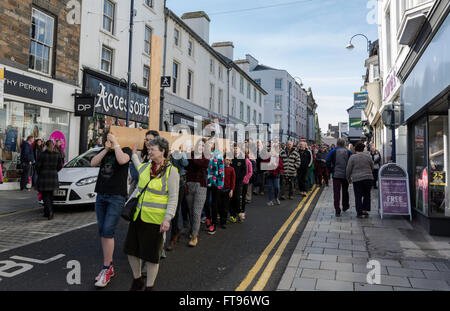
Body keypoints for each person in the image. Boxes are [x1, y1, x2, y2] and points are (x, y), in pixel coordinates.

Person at [124, 137, 180, 291]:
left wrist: (167, 219)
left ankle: (149, 286)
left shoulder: (171, 172)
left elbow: (173, 197)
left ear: (162, 152)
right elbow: (138, 168)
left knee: (151, 257)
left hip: (156, 220)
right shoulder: (146, 167)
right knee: (131, 251)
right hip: (138, 216)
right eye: (148, 149)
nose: (149, 151)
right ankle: (137, 280)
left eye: (152, 149)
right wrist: (134, 154)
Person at [90, 131, 132, 288]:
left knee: (108, 230)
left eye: (113, 136)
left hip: (116, 196)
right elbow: (93, 162)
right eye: (108, 136)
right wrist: (106, 149)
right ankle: (109, 266)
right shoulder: (106, 150)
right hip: (101, 195)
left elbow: (122, 161)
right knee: (102, 230)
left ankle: (106, 268)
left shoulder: (125, 150)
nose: (110, 139)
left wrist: (116, 144)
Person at [185, 139, 209, 247]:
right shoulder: (191, 155)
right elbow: (186, 165)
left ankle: (195, 236)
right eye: (199, 145)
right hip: (190, 184)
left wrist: (188, 154)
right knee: (190, 210)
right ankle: (192, 229)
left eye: (203, 145)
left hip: (201, 186)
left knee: (196, 212)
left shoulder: (206, 157)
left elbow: (198, 163)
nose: (201, 147)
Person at [166, 146, 189, 250]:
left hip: (179, 183)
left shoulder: (181, 153)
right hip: (166, 181)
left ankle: (173, 236)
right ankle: (176, 230)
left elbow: (185, 164)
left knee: (174, 209)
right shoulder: (168, 151)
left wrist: (179, 153)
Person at [35, 140, 63, 220]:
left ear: (46, 146)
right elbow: (60, 166)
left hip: (44, 177)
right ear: (53, 146)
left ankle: (50, 212)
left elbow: (37, 166)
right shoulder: (57, 154)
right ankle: (47, 212)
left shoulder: (42, 155)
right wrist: (54, 171)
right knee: (51, 195)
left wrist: (41, 172)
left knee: (45, 196)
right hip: (53, 176)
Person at [346, 142, 374, 218]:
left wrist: (348, 178)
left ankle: (359, 212)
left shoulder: (352, 157)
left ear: (355, 149)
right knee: (367, 195)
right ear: (363, 148)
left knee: (358, 196)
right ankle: (365, 210)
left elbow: (348, 169)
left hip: (357, 179)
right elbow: (372, 166)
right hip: (368, 178)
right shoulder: (368, 156)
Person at [326, 138, 352, 217]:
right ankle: (345, 206)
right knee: (345, 191)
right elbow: (352, 162)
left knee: (336, 193)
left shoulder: (333, 151)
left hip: (336, 175)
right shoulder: (349, 152)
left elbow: (327, 161)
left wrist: (331, 170)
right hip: (346, 175)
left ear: (337, 143)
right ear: (344, 144)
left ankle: (337, 210)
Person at [205, 142, 225, 234]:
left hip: (216, 183)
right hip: (206, 182)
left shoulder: (218, 155)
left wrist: (220, 184)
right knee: (206, 202)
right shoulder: (205, 154)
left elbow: (221, 169)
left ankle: (214, 224)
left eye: (211, 144)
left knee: (214, 203)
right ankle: (208, 217)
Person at [230, 144, 246, 223]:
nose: (235, 150)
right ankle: (232, 215)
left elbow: (244, 171)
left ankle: (239, 212)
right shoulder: (230, 158)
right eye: (234, 148)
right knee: (231, 197)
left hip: (238, 182)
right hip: (230, 182)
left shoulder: (242, 159)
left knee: (237, 197)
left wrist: (240, 178)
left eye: (237, 148)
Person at [219, 156, 235, 229]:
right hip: (219, 190)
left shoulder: (232, 169)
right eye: (227, 159)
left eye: (229, 160)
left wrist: (231, 190)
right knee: (219, 205)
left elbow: (233, 181)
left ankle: (223, 222)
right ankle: (219, 218)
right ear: (224, 159)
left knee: (225, 207)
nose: (228, 161)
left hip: (227, 190)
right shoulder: (220, 168)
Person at [240, 147, 253, 221]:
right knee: (238, 197)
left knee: (243, 197)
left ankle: (243, 212)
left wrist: (245, 179)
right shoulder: (239, 161)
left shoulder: (248, 162)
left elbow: (250, 172)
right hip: (238, 182)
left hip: (245, 182)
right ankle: (237, 211)